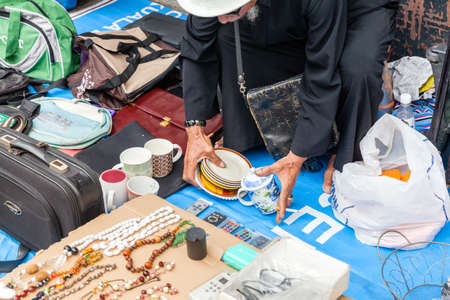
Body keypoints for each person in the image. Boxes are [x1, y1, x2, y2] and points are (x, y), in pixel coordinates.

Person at [178, 0, 397, 223]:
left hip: (356, 8)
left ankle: (344, 149)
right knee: (226, 33)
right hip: (297, 7)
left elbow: (322, 71)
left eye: (230, 11)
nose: (222, 18)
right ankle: (253, 132)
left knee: (358, 67)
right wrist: (195, 130)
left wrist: (297, 155)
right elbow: (197, 43)